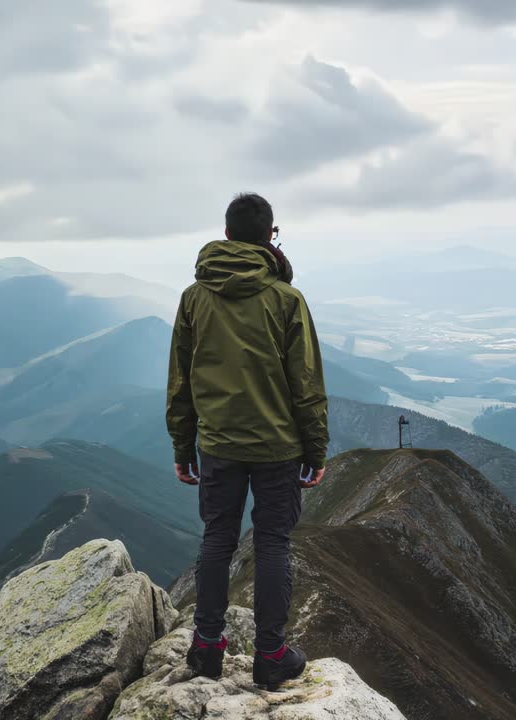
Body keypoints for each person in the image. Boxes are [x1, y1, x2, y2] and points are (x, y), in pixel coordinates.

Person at [166, 192, 329, 690]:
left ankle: (207, 647)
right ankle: (270, 655)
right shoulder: (286, 299)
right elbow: (306, 385)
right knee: (273, 542)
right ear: (270, 237)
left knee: (217, 538)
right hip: (278, 447)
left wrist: (182, 445)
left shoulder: (194, 298)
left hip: (217, 444)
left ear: (228, 234)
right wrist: (315, 449)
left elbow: (181, 381)